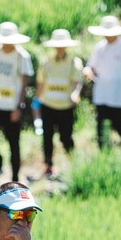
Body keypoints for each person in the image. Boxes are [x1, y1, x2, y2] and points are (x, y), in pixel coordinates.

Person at [0, 22, 33, 182]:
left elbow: (24, 83)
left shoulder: (22, 56)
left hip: (12, 106)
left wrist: (18, 106)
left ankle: (15, 177)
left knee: (13, 142)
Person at [84, 16, 121, 149]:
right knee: (102, 124)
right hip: (102, 92)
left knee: (119, 123)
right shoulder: (100, 47)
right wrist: (87, 71)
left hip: (120, 93)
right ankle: (103, 150)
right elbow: (91, 66)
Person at [36, 30, 82, 177]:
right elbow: (41, 83)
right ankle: (48, 165)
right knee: (47, 137)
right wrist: (37, 102)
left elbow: (77, 82)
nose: (60, 48)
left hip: (65, 106)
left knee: (66, 137)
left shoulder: (74, 62)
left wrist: (75, 94)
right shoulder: (46, 62)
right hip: (48, 105)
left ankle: (73, 163)